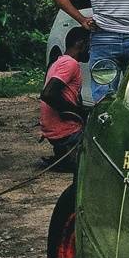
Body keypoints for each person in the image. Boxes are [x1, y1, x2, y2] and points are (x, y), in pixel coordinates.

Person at [40, 26, 91, 165]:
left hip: (55, 132)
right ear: (80, 43)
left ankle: (64, 156)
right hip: (65, 132)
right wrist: (78, 113)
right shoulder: (70, 63)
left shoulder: (58, 61)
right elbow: (48, 94)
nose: (91, 50)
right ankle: (69, 155)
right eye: (90, 45)